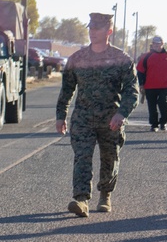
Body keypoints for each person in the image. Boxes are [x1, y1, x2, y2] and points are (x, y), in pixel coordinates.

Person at [55, 13, 139, 217]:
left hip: (111, 119)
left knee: (109, 158)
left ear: (109, 31)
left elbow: (132, 90)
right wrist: (61, 115)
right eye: (91, 27)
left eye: (98, 28)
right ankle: (81, 199)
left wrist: (122, 113)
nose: (93, 31)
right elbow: (67, 89)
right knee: (82, 157)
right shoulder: (78, 58)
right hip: (83, 119)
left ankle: (105, 195)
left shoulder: (121, 59)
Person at [136, 35, 167, 132]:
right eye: (154, 43)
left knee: (164, 104)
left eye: (158, 44)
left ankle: (163, 122)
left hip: (165, 86)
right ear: (152, 44)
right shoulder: (146, 56)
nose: (156, 45)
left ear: (162, 44)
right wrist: (141, 84)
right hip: (150, 86)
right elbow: (140, 71)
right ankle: (154, 125)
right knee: (152, 106)